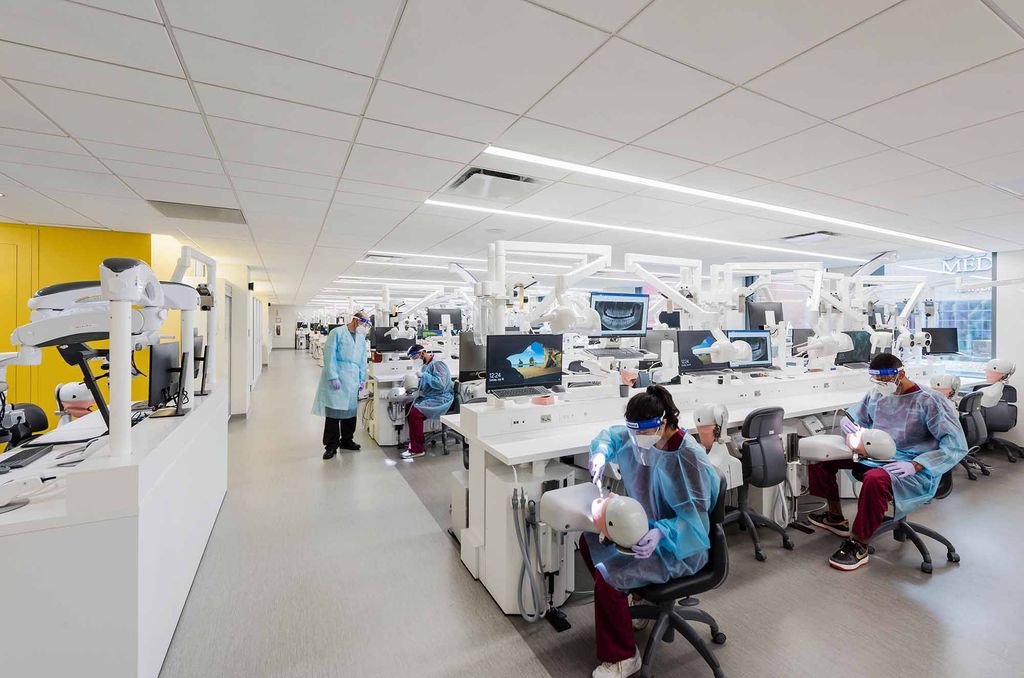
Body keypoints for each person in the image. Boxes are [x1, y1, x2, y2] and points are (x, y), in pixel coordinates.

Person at [585, 385, 720, 678]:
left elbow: (696, 525)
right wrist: (600, 454)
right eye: (632, 432)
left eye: (641, 433)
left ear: (662, 423)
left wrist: (661, 533)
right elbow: (613, 436)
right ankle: (635, 599)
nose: (635, 440)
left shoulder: (688, 459)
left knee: (609, 576)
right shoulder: (642, 437)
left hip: (681, 548)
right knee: (589, 542)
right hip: (643, 531)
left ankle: (623, 657)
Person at [807, 352, 967, 571]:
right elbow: (857, 416)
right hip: (878, 455)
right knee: (821, 458)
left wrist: (916, 465)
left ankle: (859, 544)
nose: (882, 385)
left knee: (875, 480)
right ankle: (835, 516)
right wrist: (847, 422)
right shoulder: (877, 394)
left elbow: (955, 446)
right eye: (877, 380)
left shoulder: (929, 401)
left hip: (913, 465)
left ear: (901, 374)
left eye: (885, 380)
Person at [312, 311, 370, 460]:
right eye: (364, 323)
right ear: (356, 320)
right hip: (338, 376)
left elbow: (363, 359)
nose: (365, 326)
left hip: (352, 378)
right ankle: (330, 446)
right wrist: (332, 376)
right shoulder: (337, 332)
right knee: (333, 413)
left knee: (350, 412)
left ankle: (346, 440)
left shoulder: (361, 338)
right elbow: (329, 354)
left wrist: (362, 378)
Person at [401, 344, 454, 460]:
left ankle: (417, 450)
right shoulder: (427, 366)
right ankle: (415, 441)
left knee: (414, 413)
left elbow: (440, 384)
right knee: (409, 406)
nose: (414, 361)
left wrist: (423, 376)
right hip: (432, 397)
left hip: (441, 399)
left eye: (415, 358)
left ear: (422, 353)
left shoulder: (438, 364)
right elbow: (427, 383)